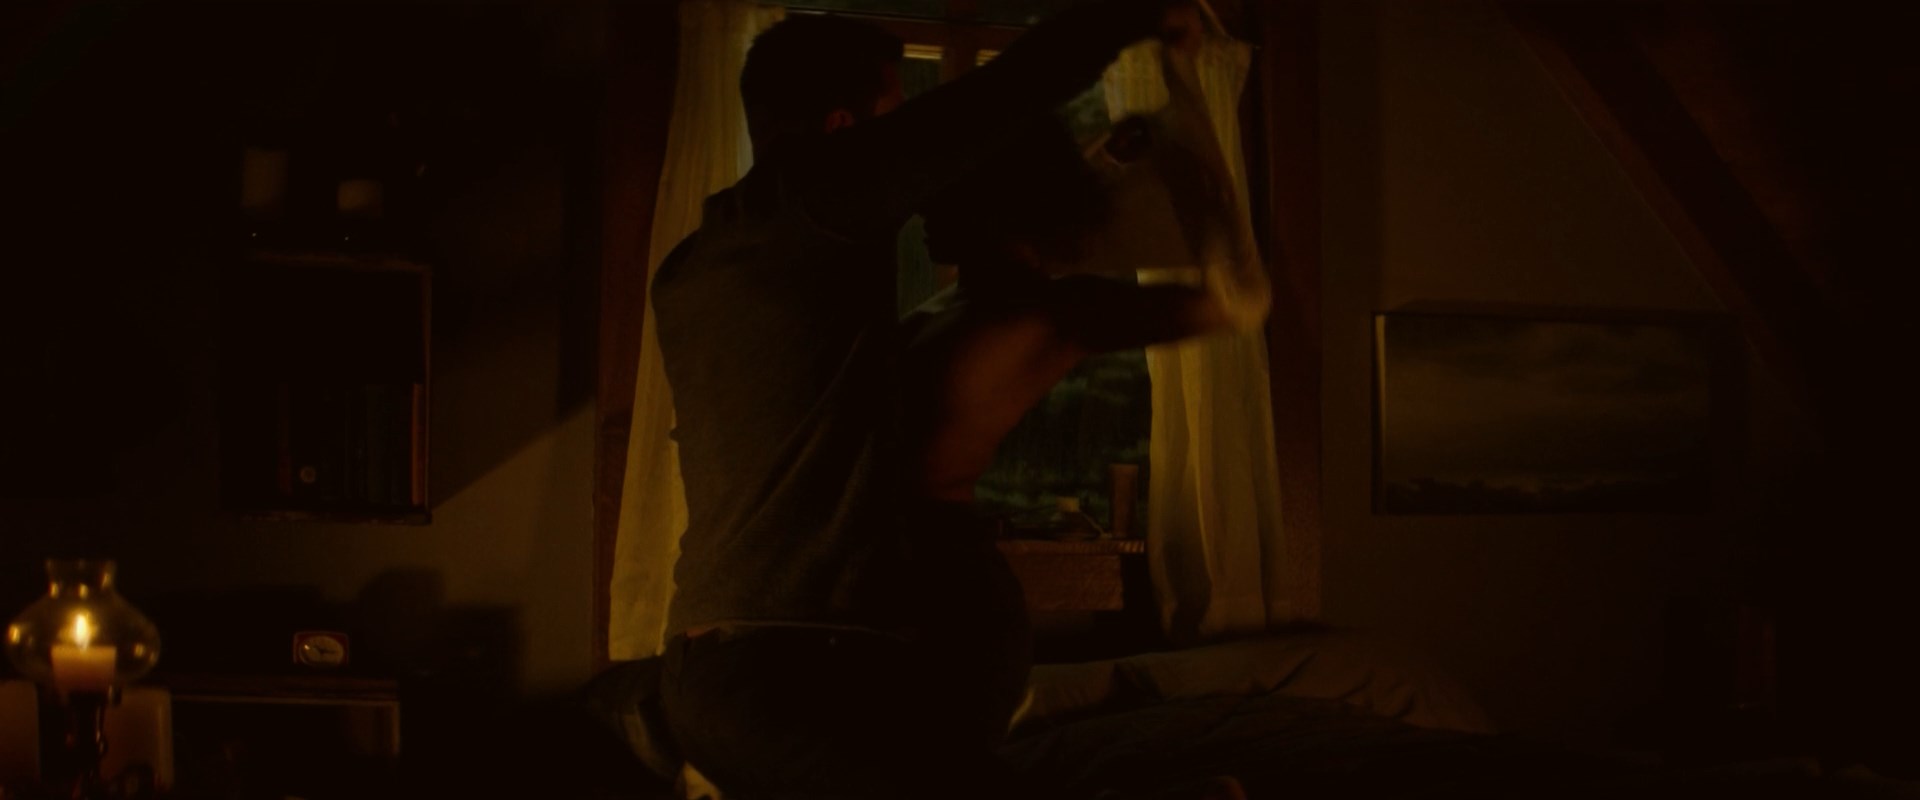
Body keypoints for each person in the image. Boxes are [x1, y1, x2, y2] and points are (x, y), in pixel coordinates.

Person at [651, 3, 1209, 798]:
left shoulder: (697, 263)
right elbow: (1010, 90)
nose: (915, 169)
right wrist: (1137, 16)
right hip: (795, 670)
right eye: (895, 119)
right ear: (842, 130)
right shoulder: (812, 199)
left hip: (720, 666)